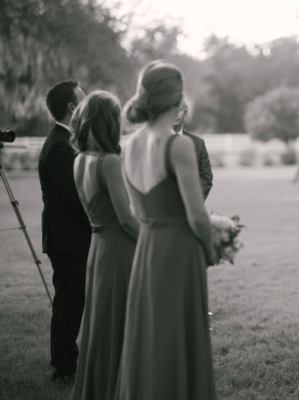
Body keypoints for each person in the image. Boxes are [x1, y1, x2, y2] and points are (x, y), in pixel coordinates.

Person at [114, 60, 217, 400]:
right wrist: (213, 247)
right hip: (179, 251)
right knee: (179, 335)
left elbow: (135, 208)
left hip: (146, 248)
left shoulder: (127, 146)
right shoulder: (178, 145)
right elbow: (197, 215)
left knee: (152, 334)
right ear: (176, 97)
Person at [69, 91, 139, 400]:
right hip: (118, 248)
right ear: (109, 121)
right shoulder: (109, 161)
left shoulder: (80, 159)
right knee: (120, 324)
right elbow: (125, 219)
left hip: (98, 248)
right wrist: (153, 241)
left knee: (102, 325)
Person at [38, 79, 90, 382]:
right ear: (72, 107)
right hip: (68, 237)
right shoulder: (59, 145)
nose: (85, 105)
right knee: (69, 303)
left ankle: (70, 361)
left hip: (71, 236)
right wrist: (99, 225)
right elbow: (75, 198)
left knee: (73, 300)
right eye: (82, 100)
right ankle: (64, 368)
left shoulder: (65, 140)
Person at [173, 99, 213, 199]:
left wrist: (193, 201)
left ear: (185, 112)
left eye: (180, 110)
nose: (176, 114)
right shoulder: (157, 143)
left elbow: (206, 178)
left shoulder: (198, 144)